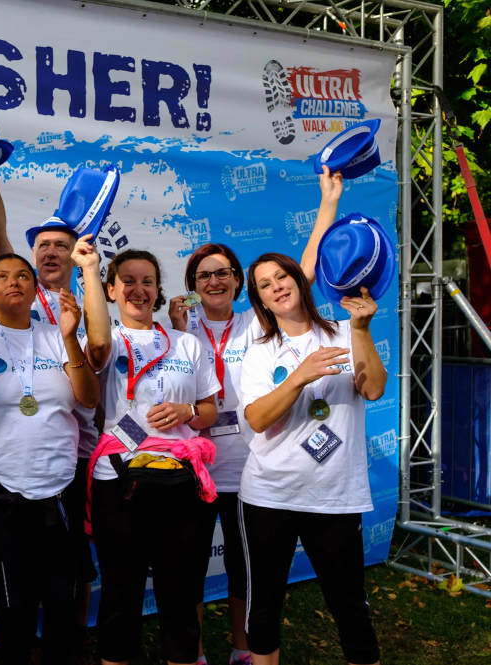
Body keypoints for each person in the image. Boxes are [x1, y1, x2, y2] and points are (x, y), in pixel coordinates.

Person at [167, 167, 346, 665]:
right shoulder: (179, 329)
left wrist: (327, 203)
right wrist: (180, 330)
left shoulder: (258, 322)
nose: (215, 280)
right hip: (197, 468)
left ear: (238, 281)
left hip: (250, 468)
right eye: (204, 275)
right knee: (190, 568)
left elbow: (300, 272)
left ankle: (242, 651)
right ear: (193, 285)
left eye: (223, 272)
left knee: (246, 571)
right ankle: (196, 654)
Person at [0, 248, 102, 664]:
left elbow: (88, 398)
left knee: (60, 599)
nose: (14, 282)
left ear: (37, 290)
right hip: (5, 491)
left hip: (60, 488)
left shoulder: (59, 335)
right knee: (14, 601)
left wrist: (71, 335)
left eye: (23, 276)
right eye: (2, 276)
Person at [240, 253, 385, 665]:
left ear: (300, 282)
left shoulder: (345, 332)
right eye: (265, 285)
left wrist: (361, 328)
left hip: (336, 496)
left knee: (351, 609)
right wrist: (301, 375)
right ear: (261, 300)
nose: (277, 287)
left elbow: (372, 389)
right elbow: (257, 418)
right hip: (269, 496)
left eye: (282, 277)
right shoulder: (260, 351)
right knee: (264, 608)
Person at [0, 168, 101, 633]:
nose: (49, 253)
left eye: (60, 247)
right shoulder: (17, 294)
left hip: (82, 451)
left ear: (75, 257)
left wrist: (81, 313)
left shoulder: (87, 300)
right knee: (22, 598)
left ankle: (73, 645)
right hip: (22, 464)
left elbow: (100, 354)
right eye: (41, 246)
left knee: (68, 583)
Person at [83, 248, 220, 665]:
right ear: (110, 289)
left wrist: (188, 412)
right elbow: (99, 343)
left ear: (159, 290)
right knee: (120, 593)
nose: (138, 290)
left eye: (147, 281)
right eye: (127, 280)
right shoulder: (101, 342)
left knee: (179, 594)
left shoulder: (187, 344)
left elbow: (210, 410)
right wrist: (89, 268)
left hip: (180, 481)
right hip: (118, 481)